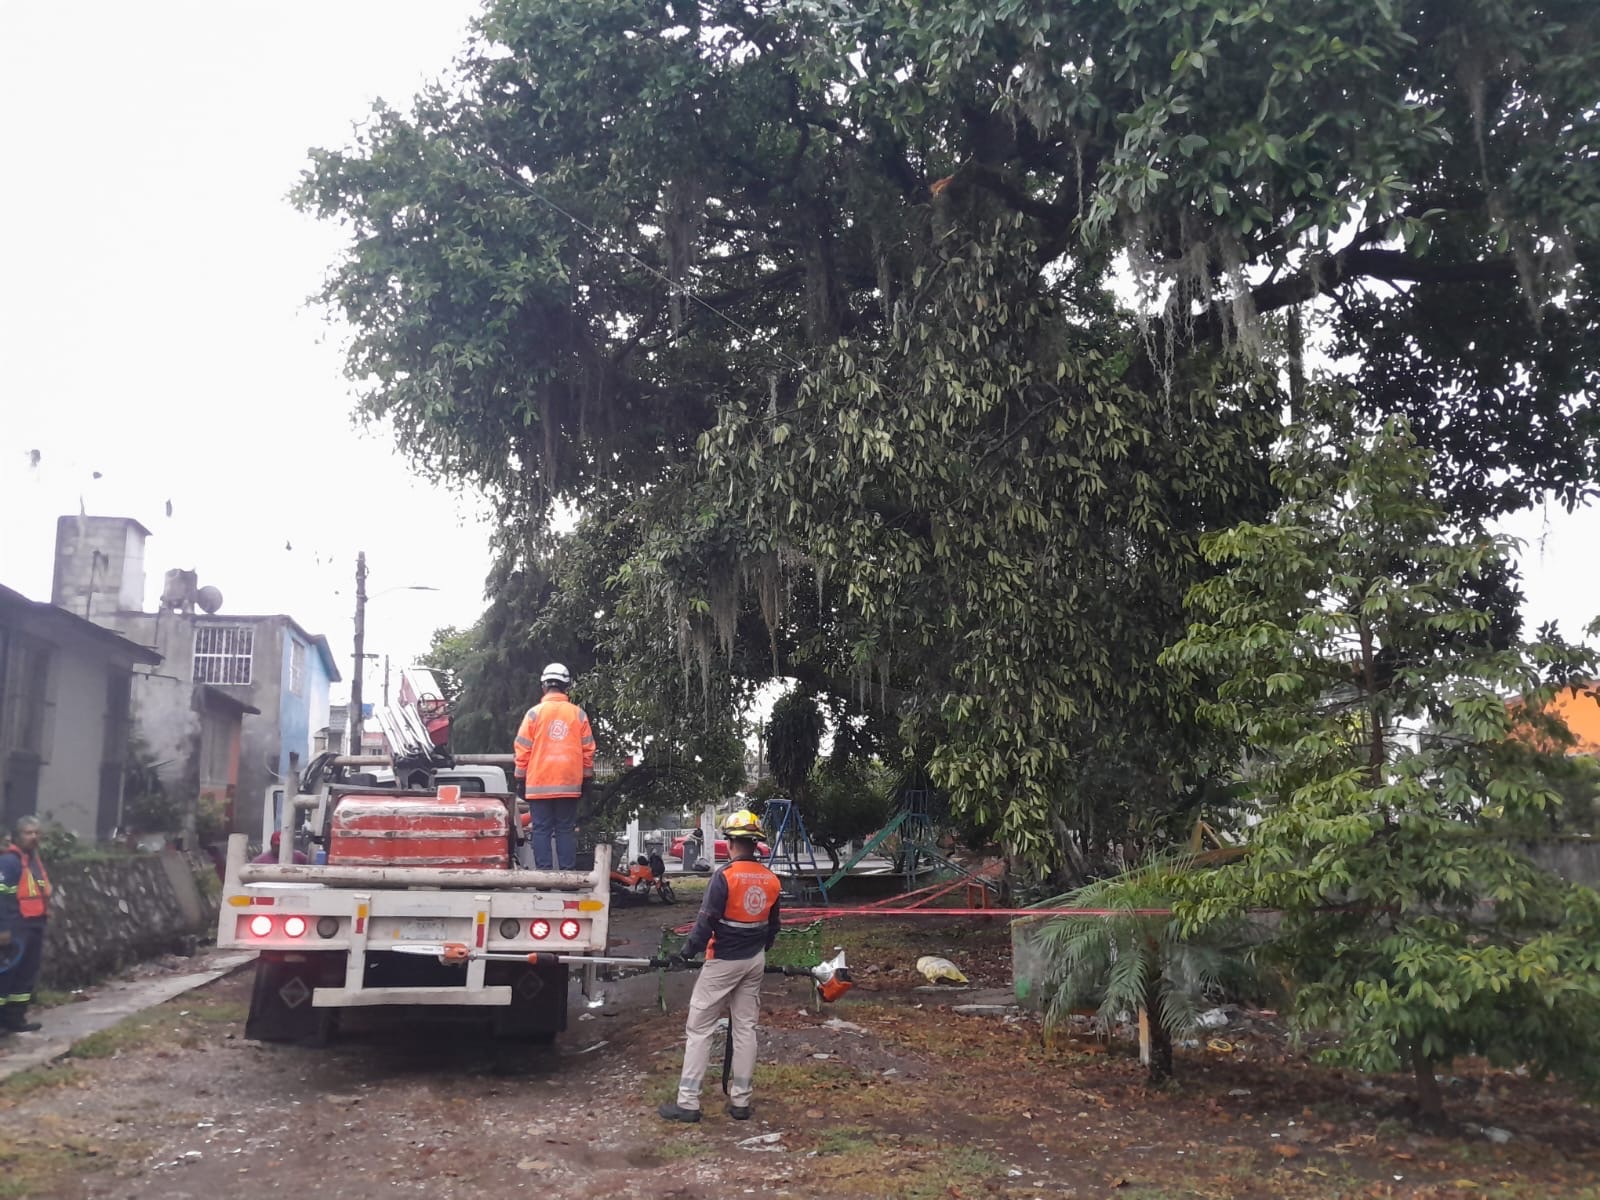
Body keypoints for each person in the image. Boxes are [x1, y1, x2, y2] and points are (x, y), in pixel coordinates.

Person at [659, 810, 781, 1124]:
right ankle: (741, 1102)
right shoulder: (771, 879)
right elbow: (773, 926)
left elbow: (705, 922)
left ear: (730, 843)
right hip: (754, 960)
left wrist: (685, 954)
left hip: (723, 960)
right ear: (755, 844)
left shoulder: (724, 877)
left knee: (699, 1028)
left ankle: (688, 1103)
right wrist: (757, 951)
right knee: (744, 1029)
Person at [512, 662, 596, 871]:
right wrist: (586, 778)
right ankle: (567, 876)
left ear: (543, 687)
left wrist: (520, 778)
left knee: (541, 830)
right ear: (566, 687)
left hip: (538, 784)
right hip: (569, 784)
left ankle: (544, 877)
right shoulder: (578, 714)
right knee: (565, 830)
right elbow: (588, 750)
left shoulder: (533, 714)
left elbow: (522, 749)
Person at [0, 816, 52, 1034]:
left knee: (26, 973)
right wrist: (3, 929)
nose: (33, 837)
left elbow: (37, 891)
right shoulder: (9, 861)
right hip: (16, 925)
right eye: (28, 833)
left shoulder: (32, 860)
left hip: (34, 924)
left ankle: (15, 1019)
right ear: (17, 836)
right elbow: (2, 898)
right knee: (7, 973)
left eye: (36, 833)